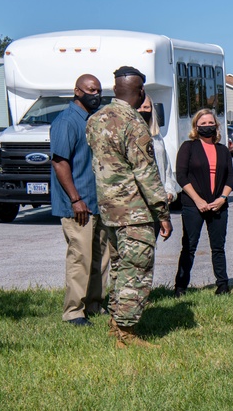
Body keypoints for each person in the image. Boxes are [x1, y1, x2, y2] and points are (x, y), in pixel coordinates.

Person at [86, 65, 172, 348]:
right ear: (140, 91)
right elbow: (146, 173)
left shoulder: (96, 119)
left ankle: (115, 325)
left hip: (109, 211)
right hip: (135, 212)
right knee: (136, 271)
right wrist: (162, 212)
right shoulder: (134, 124)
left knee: (121, 269)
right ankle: (126, 332)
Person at [50, 73, 109, 326]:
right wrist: (76, 199)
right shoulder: (66, 121)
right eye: (90, 90)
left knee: (101, 258)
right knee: (80, 258)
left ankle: (95, 305)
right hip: (78, 206)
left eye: (98, 91)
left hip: (98, 202)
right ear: (77, 91)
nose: (95, 95)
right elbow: (59, 161)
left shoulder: (93, 120)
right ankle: (74, 312)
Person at [174, 109, 233, 296]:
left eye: (211, 123)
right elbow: (182, 176)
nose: (207, 126)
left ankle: (222, 285)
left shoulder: (222, 150)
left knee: (218, 247)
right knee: (189, 246)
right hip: (194, 205)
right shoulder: (188, 147)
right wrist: (198, 200)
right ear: (196, 126)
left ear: (216, 126)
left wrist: (222, 198)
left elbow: (230, 178)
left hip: (218, 205)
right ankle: (180, 287)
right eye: (203, 123)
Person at [137, 94, 181, 229]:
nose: (142, 110)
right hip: (138, 205)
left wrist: (169, 190)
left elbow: (165, 168)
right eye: (139, 107)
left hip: (158, 202)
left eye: (146, 107)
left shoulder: (157, 137)